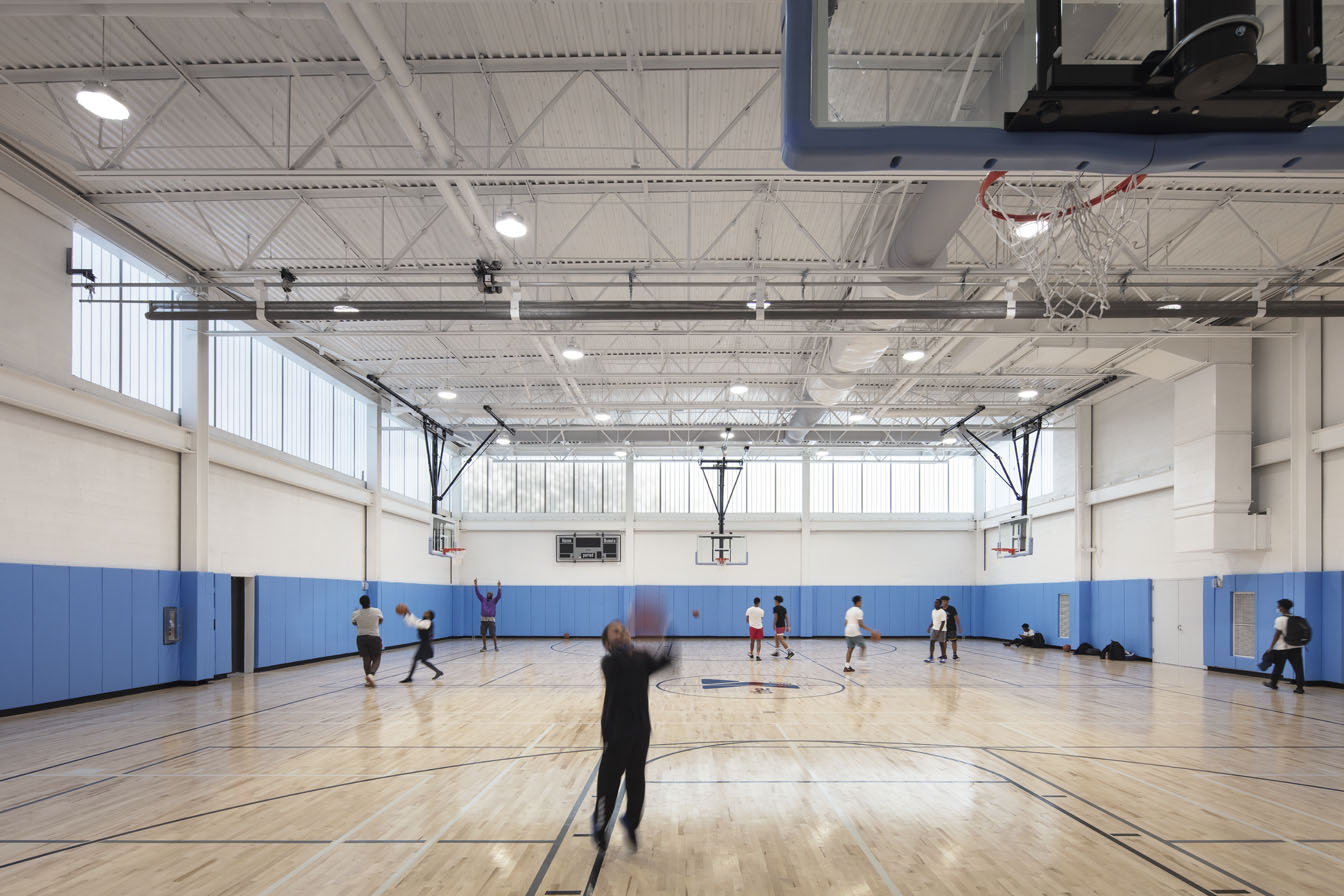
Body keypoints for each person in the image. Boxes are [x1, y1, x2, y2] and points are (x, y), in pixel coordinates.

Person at [593, 619, 674, 852]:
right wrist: (635, 652)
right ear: (608, 643)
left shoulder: (639, 659)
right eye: (615, 632)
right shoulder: (609, 662)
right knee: (608, 784)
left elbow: (662, 663)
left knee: (636, 781)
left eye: (623, 630)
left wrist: (670, 643)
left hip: (640, 730)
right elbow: (625, 665)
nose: (622, 633)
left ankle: (631, 821)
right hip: (615, 732)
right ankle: (600, 826)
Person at [1264, 598, 1307, 694]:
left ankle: (1273, 683)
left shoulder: (1280, 619)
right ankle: (1300, 688)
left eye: (1279, 606)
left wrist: (1271, 646)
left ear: (1282, 608)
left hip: (1283, 647)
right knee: (1298, 668)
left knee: (1279, 667)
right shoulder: (1296, 619)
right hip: (1296, 647)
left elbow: (1277, 634)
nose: (1278, 608)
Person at [398, 607, 443, 682]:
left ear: (429, 616)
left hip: (426, 644)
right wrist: (406, 614)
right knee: (423, 660)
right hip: (424, 643)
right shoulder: (423, 621)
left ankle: (409, 677)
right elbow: (412, 622)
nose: (425, 612)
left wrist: (408, 612)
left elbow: (416, 623)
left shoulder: (428, 622)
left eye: (427, 612)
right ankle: (438, 672)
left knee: (416, 659)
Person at [351, 594, 383, 687]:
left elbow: (354, 623)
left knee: (366, 659)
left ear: (360, 603)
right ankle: (371, 675)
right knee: (377, 658)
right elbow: (380, 621)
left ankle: (368, 681)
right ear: (369, 601)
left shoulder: (356, 613)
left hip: (361, 638)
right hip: (374, 637)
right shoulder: (377, 611)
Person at [843, 595, 876, 673]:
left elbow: (845, 623)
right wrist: (871, 630)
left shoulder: (849, 610)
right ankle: (861, 664)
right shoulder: (859, 611)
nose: (861, 603)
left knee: (850, 649)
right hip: (855, 631)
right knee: (863, 647)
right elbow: (860, 624)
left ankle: (847, 666)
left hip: (847, 631)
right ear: (858, 602)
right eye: (861, 601)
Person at [475, 578, 503, 652]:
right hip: (483, 619)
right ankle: (484, 647)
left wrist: (499, 587)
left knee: (493, 634)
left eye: (490, 594)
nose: (488, 594)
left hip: (491, 620)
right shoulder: (483, 599)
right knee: (483, 634)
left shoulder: (494, 601)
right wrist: (475, 585)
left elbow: (499, 596)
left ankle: (496, 647)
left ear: (491, 596)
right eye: (488, 594)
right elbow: (478, 593)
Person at [926, 598, 948, 664]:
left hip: (941, 630)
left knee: (941, 644)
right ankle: (931, 657)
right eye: (934, 603)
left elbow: (943, 622)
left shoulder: (942, 612)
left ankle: (943, 657)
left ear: (940, 604)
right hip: (934, 629)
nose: (935, 604)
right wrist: (929, 627)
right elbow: (934, 620)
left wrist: (939, 632)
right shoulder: (933, 611)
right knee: (932, 642)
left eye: (936, 603)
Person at [941, 596, 962, 660]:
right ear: (942, 601)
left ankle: (955, 654)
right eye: (944, 601)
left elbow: (956, 618)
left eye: (946, 601)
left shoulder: (952, 608)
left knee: (953, 641)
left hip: (952, 627)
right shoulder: (940, 609)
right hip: (943, 628)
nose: (945, 602)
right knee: (944, 642)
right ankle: (944, 654)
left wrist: (959, 627)